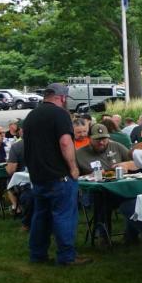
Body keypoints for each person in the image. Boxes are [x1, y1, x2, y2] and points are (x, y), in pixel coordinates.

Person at [22, 83, 90, 266]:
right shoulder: (60, 114)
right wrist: (73, 167)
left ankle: (37, 254)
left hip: (38, 174)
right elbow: (66, 143)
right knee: (64, 215)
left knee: (41, 215)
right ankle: (67, 257)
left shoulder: (31, 115)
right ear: (61, 97)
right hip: (59, 175)